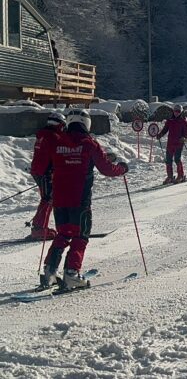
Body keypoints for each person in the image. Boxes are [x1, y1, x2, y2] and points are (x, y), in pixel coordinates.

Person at [39, 109, 128, 290]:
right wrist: (122, 168)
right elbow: (107, 169)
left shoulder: (57, 141)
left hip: (59, 200)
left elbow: (46, 166)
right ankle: (72, 273)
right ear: (86, 123)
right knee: (81, 236)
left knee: (63, 234)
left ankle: (50, 270)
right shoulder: (89, 144)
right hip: (80, 200)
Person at [29, 112, 66, 240]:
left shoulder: (42, 135)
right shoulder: (54, 137)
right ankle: (39, 229)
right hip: (46, 172)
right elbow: (58, 155)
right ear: (60, 124)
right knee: (48, 199)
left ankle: (39, 227)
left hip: (38, 171)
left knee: (47, 198)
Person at [157, 103, 187, 184]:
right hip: (170, 143)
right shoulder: (170, 121)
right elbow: (165, 130)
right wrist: (160, 135)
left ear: (181, 112)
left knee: (177, 159)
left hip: (179, 143)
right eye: (175, 111)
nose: (176, 113)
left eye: (178, 111)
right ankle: (170, 177)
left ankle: (180, 175)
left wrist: (184, 138)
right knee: (168, 160)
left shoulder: (183, 121)